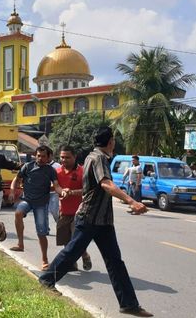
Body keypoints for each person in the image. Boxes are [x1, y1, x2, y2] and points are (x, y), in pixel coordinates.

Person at [39, 126, 153, 317]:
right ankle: (46, 280)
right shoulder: (98, 158)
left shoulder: (94, 157)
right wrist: (132, 201)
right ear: (110, 142)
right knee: (71, 252)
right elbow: (106, 184)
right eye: (114, 140)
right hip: (90, 217)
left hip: (103, 221)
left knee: (115, 262)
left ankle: (129, 304)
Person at [8, 146, 64, 271]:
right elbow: (16, 179)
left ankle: (44, 260)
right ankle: (20, 244)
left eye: (43, 156)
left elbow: (56, 186)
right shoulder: (27, 166)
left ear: (48, 157)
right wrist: (12, 191)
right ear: (35, 155)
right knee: (18, 213)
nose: (40, 158)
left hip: (41, 204)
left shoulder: (51, 170)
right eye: (38, 155)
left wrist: (62, 192)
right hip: (27, 201)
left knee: (41, 233)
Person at [56, 145, 91, 271]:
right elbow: (56, 187)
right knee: (65, 239)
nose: (64, 160)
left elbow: (87, 191)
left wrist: (71, 192)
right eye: (62, 157)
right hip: (63, 211)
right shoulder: (57, 172)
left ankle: (84, 255)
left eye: (67, 157)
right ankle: (72, 262)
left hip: (80, 212)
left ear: (74, 157)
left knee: (76, 239)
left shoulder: (83, 171)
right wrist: (61, 191)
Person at [47, 149, 61, 223]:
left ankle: (59, 224)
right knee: (44, 211)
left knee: (54, 211)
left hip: (54, 192)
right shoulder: (42, 166)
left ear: (51, 156)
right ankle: (45, 229)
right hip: (44, 192)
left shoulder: (57, 166)